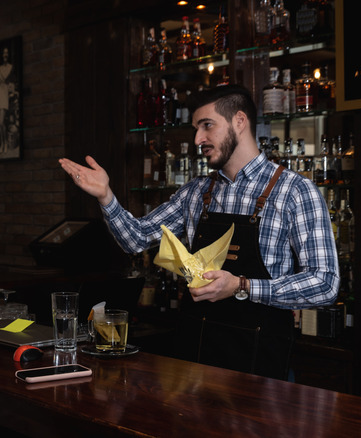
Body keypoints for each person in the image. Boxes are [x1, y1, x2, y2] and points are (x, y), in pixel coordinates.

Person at [59, 84, 339, 379]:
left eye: (207, 125)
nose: (197, 139)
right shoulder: (196, 192)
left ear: (239, 122)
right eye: (196, 128)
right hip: (194, 359)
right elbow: (135, 239)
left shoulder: (294, 191)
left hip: (259, 366)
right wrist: (105, 196)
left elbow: (325, 283)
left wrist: (242, 286)